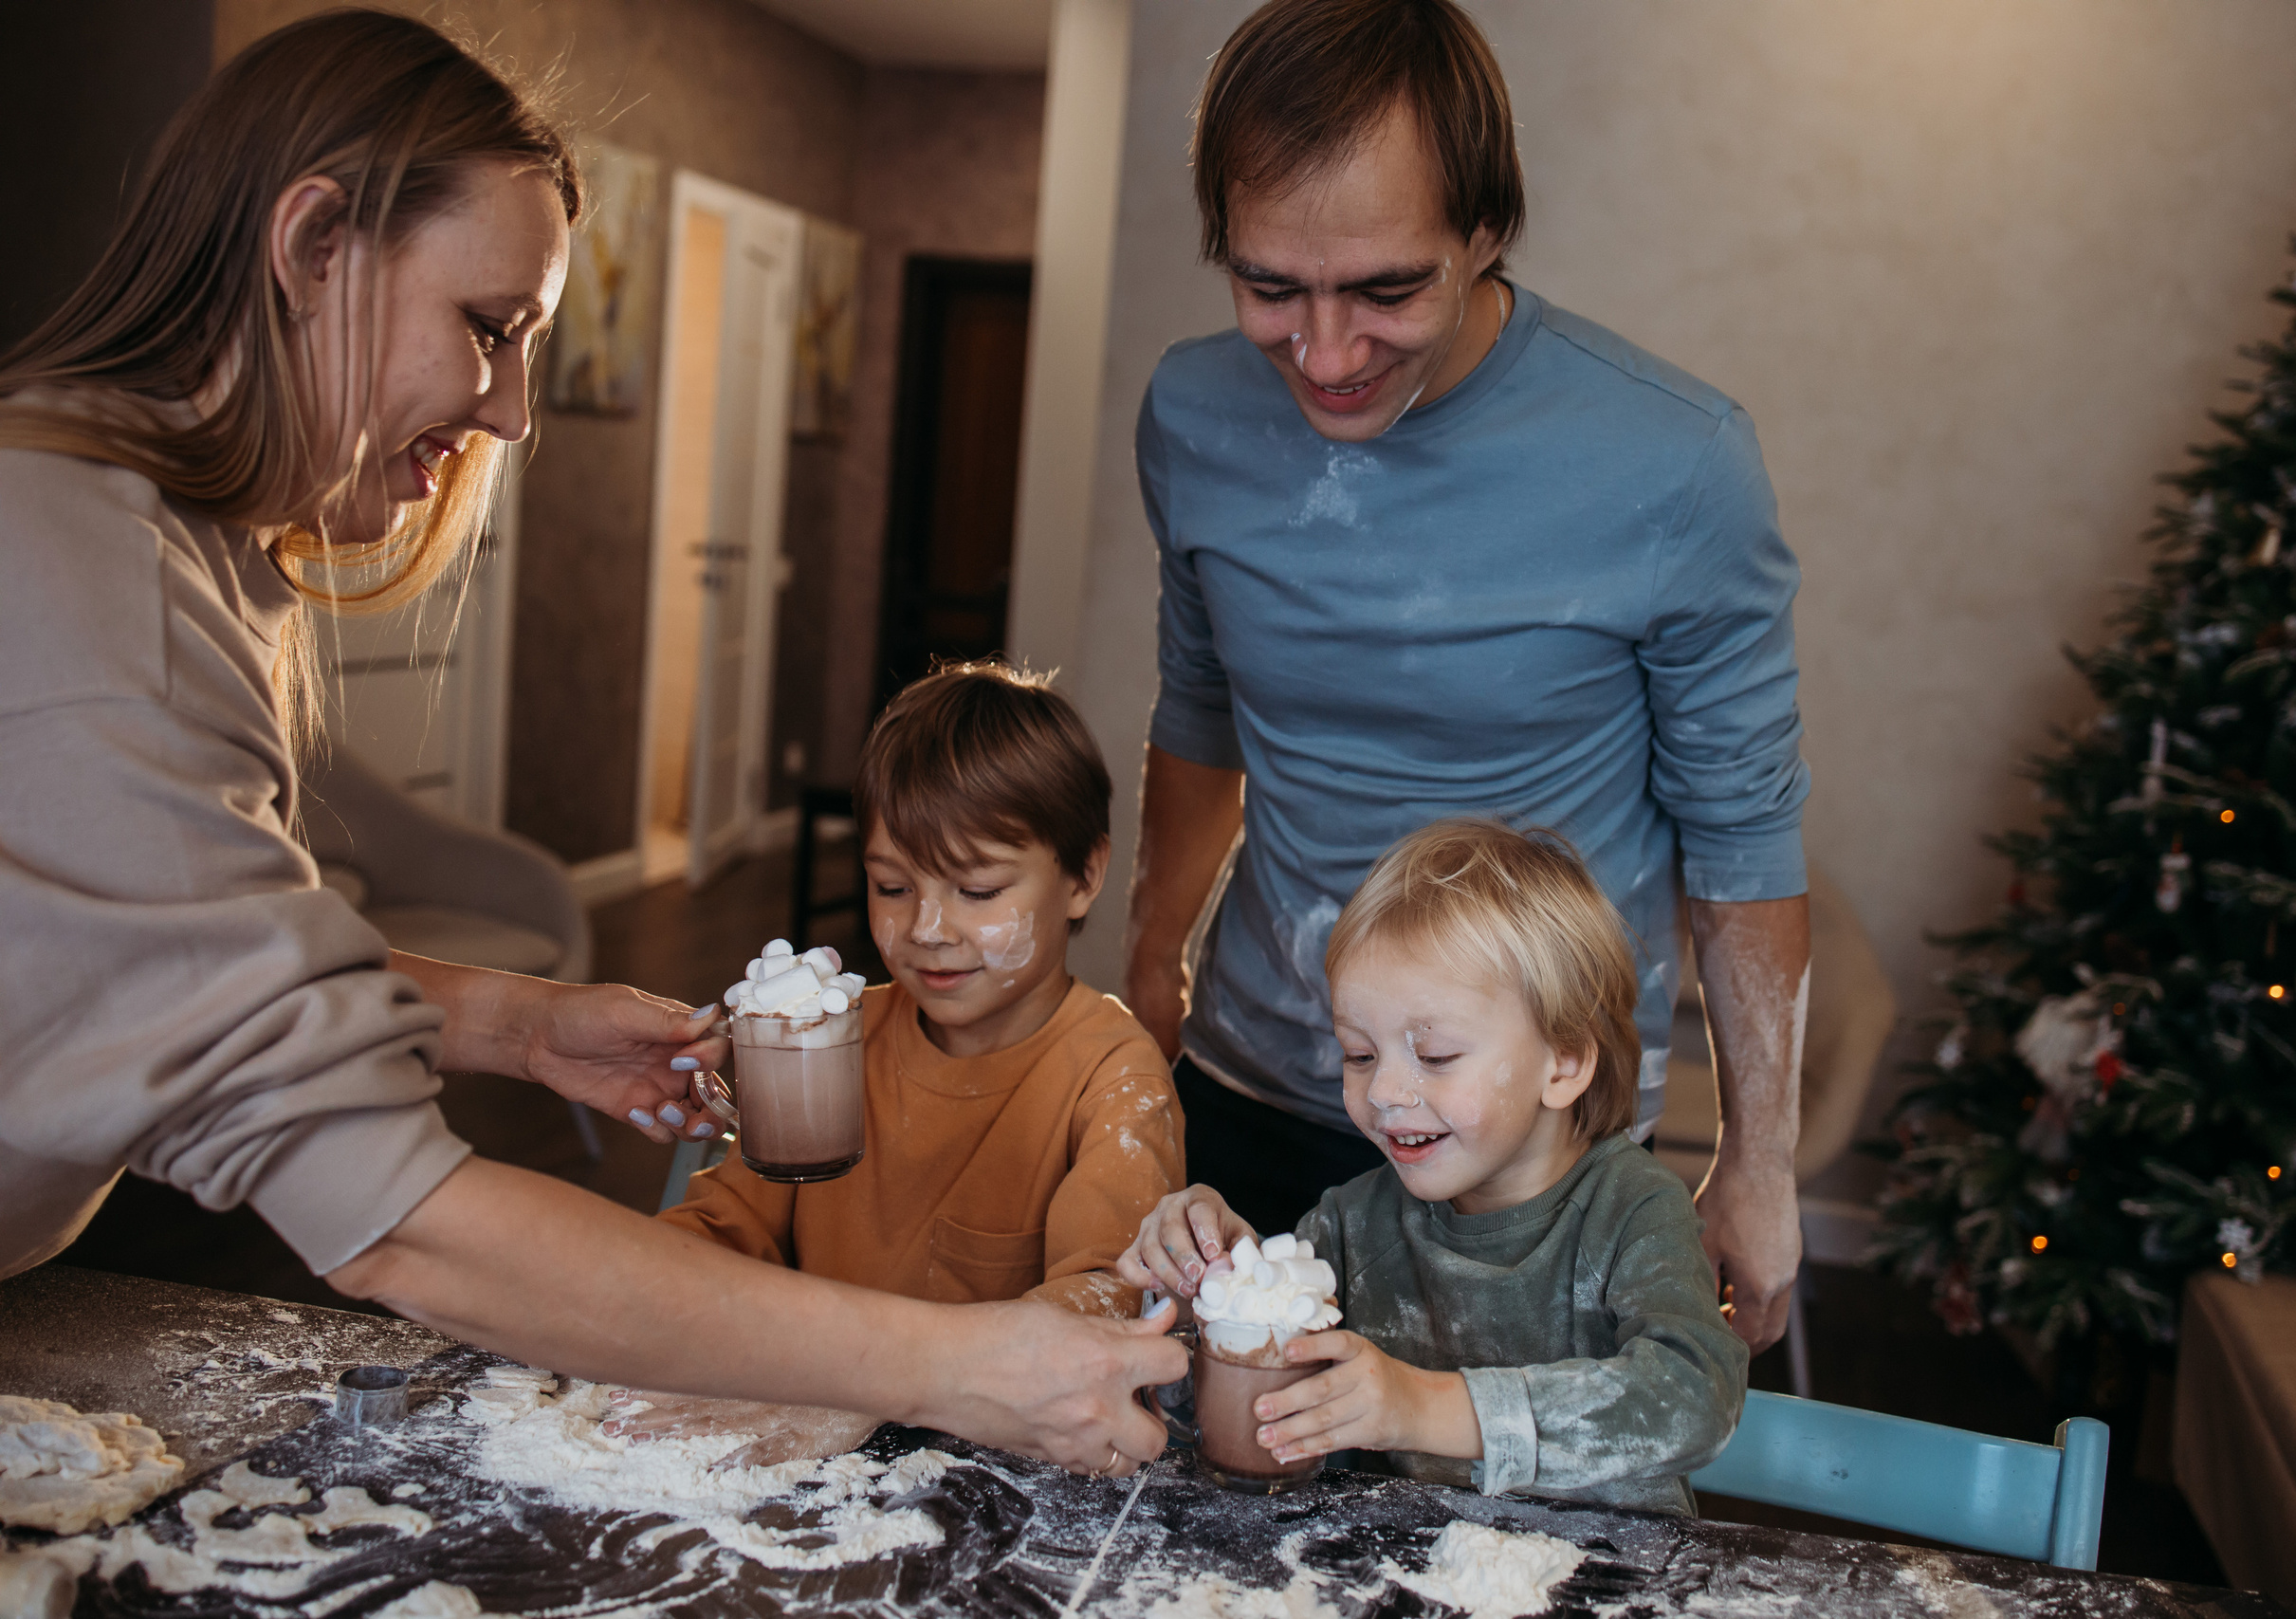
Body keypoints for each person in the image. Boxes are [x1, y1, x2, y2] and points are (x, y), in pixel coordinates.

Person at [0, 9, 1176, 1479]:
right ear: (311, 248)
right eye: (489, 327)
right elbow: (405, 1224)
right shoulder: (102, 595)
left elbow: (161, 963)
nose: (510, 407)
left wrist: (513, 1022)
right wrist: (962, 1365)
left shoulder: (160, 543)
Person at [1122, 0, 1812, 1352]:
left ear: (1486, 230)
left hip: (1530, 1150)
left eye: (1387, 289)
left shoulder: (1675, 462)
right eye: (1271, 287)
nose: (1324, 354)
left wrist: (1761, 1154)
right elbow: (1201, 704)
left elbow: (1743, 832)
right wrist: (1152, 958)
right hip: (1260, 1079)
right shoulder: (1190, 416)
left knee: (1499, 1540)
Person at [1122, 820, 1746, 1510]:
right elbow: (1228, 1423)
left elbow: (1695, 1396)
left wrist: (1423, 1406)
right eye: (1359, 1054)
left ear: (1565, 1060)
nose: (1385, 1092)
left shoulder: (1634, 1209)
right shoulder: (1350, 1228)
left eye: (1437, 1054)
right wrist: (1211, 1302)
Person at [656, 664, 1185, 1313]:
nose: (927, 929)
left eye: (977, 891)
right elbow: (722, 1229)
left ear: (1083, 875)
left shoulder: (1114, 1079)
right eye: (893, 887)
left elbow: (1104, 1296)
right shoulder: (837, 1037)